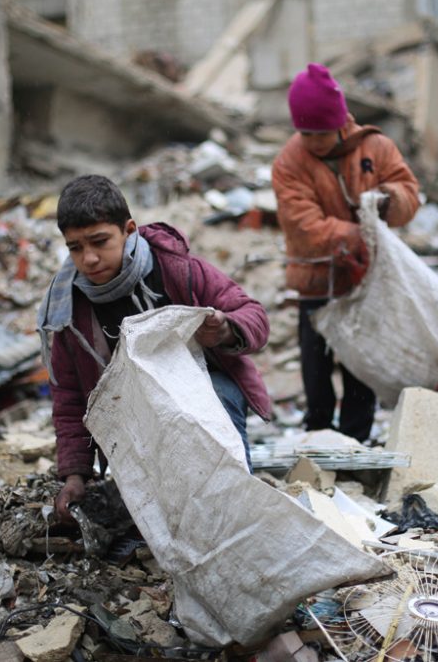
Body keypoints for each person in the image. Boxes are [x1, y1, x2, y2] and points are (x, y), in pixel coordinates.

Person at [39, 175, 272, 521]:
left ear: (129, 230)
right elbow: (71, 398)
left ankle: (239, 514)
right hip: (134, 413)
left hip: (207, 393)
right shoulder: (68, 311)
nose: (88, 258)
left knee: (219, 407)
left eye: (100, 242)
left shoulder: (176, 270)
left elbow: (253, 314)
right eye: (75, 247)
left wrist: (224, 328)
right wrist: (76, 475)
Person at [272, 63, 420, 441]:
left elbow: (408, 191)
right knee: (316, 362)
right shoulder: (290, 162)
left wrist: (390, 202)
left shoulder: (376, 148)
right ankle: (319, 433)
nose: (312, 141)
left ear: (339, 122)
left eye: (319, 133)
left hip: (367, 279)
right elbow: (304, 227)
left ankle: (356, 437)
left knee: (361, 362)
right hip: (316, 279)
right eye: (304, 132)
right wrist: (361, 233)